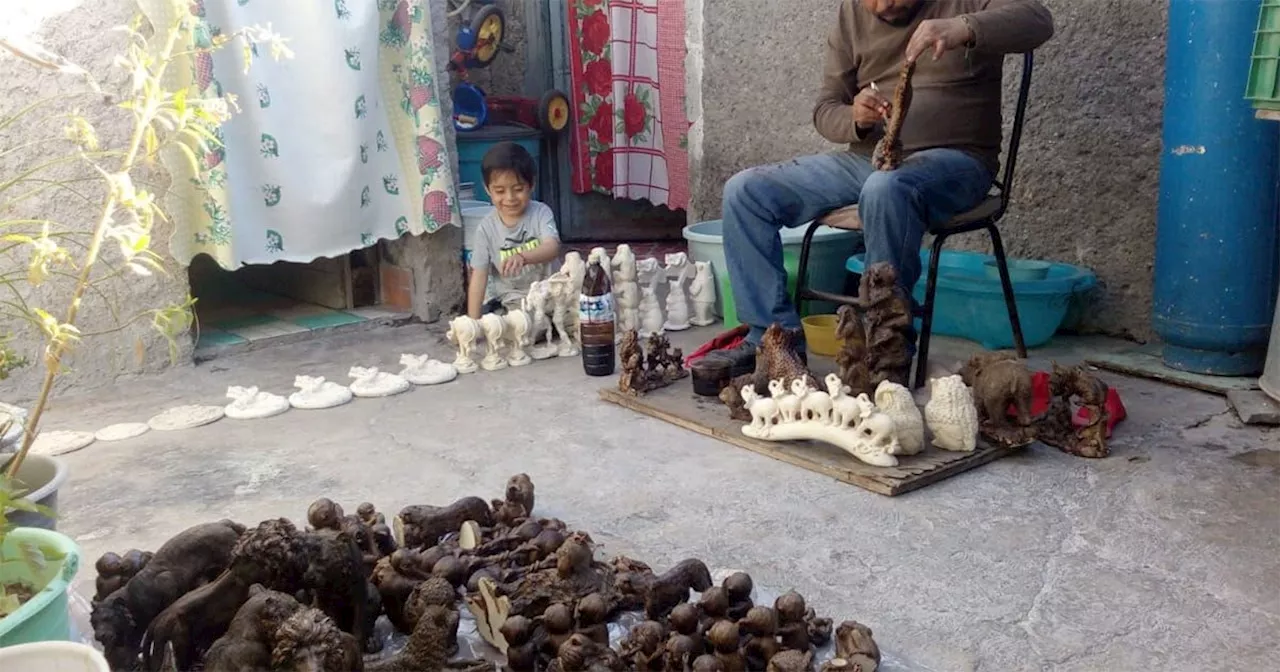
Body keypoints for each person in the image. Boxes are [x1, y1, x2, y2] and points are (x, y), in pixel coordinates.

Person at [705, 0, 1054, 375]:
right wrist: (854, 116)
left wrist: (962, 28)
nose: (882, 6)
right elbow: (826, 109)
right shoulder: (852, 14)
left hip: (957, 161)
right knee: (746, 192)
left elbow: (1038, 20)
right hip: (868, 158)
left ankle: (885, 351)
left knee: (885, 189)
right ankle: (772, 341)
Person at [466, 141, 562, 318]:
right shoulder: (486, 229)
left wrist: (523, 257)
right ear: (488, 189)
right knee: (525, 325)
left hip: (551, 291)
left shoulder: (541, 212)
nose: (510, 198)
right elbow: (478, 278)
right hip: (515, 299)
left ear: (531, 184)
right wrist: (473, 322)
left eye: (518, 189)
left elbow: (553, 247)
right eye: (500, 191)